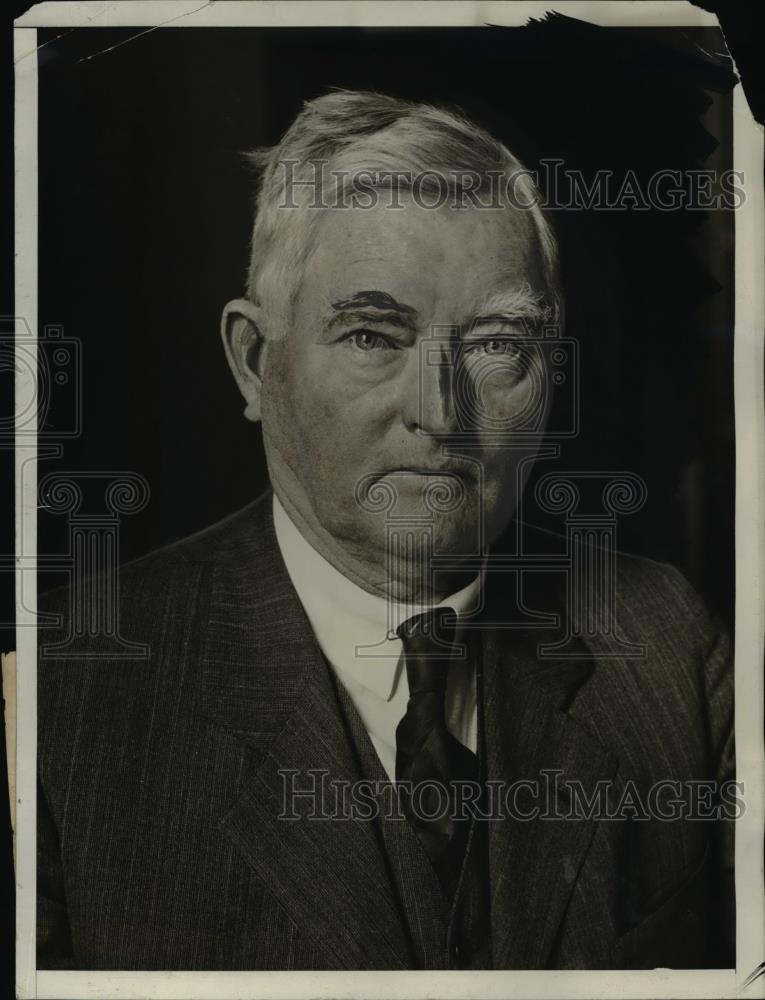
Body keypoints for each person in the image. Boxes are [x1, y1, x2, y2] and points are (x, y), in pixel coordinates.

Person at [37, 90, 734, 971]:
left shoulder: (667, 648)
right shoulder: (60, 702)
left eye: (496, 344)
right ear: (255, 362)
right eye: (372, 335)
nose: (439, 413)